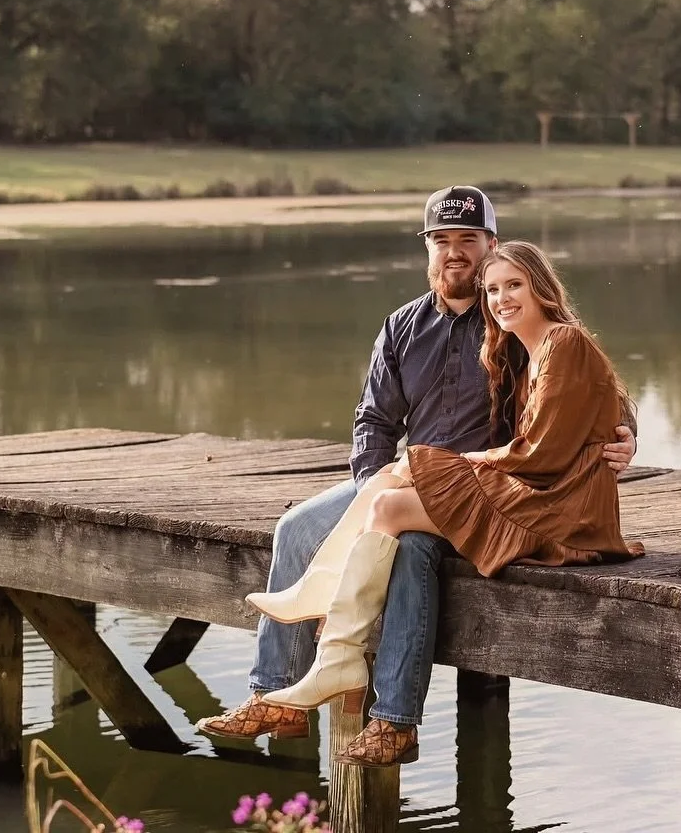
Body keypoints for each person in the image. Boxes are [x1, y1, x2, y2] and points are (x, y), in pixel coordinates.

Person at [194, 186, 638, 767]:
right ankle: (275, 694)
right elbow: (373, 421)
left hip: (489, 488)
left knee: (412, 548)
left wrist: (626, 433)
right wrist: (373, 480)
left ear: (490, 246)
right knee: (296, 530)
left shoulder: (512, 315)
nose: (455, 253)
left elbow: (588, 387)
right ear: (427, 249)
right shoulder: (402, 326)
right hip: (401, 479)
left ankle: (394, 721)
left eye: (468, 241)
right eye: (442, 241)